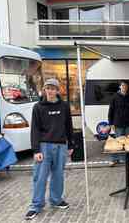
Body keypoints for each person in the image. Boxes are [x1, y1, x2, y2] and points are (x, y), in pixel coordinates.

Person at [25, 79, 74, 220]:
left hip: (61, 145)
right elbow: (34, 129)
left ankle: (56, 200)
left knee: (58, 175)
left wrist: (71, 145)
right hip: (44, 146)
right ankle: (36, 205)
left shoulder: (64, 106)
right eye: (48, 88)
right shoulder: (38, 107)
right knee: (40, 177)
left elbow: (68, 125)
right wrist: (36, 150)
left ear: (58, 90)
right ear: (44, 90)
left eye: (53, 88)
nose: (50, 91)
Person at [108, 81, 129, 166]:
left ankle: (127, 159)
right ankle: (115, 159)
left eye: (126, 86)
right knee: (118, 142)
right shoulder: (115, 97)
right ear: (120, 87)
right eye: (123, 85)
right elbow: (111, 111)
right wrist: (111, 123)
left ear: (127, 87)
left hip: (128, 124)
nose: (124, 87)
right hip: (118, 124)